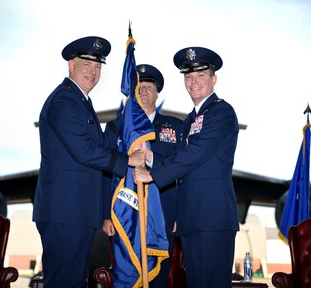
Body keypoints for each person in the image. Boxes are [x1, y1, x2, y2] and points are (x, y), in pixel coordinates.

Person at [32, 36, 145, 288]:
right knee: (65, 281)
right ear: (71, 65)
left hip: (74, 212)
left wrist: (124, 121)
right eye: (87, 65)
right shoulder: (65, 100)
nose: (93, 72)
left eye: (98, 66)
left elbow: (99, 145)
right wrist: (127, 160)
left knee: (72, 280)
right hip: (65, 212)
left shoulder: (80, 101)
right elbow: (85, 151)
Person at [133, 47, 239, 288]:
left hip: (212, 218)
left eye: (201, 76)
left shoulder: (221, 112)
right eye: (189, 77)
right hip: (191, 220)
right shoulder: (191, 120)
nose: (194, 82)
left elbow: (195, 153)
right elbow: (181, 159)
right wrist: (150, 156)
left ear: (214, 79)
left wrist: (152, 175)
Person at [102, 64, 183, 288]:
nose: (144, 90)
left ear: (158, 92)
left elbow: (183, 170)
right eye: (139, 86)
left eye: (149, 86)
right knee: (126, 274)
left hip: (165, 213)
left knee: (158, 277)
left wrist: (180, 214)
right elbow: (104, 173)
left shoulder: (174, 127)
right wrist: (105, 215)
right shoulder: (115, 128)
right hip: (123, 214)